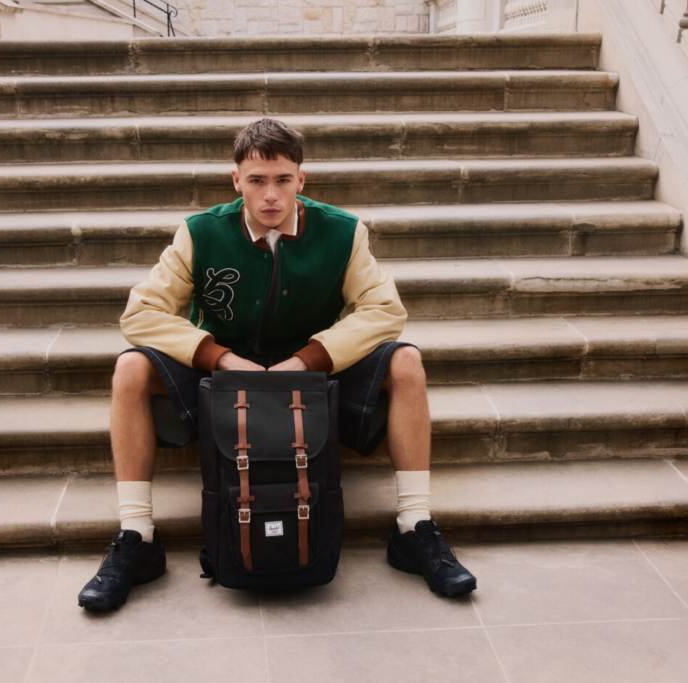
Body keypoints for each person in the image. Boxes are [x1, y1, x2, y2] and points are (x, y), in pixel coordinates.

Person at [78, 118, 477, 611]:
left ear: (301, 180)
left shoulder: (343, 232)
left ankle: (413, 527)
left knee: (407, 363)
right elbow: (140, 313)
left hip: (313, 372)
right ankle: (137, 538)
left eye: (283, 180)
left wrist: (309, 360)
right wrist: (220, 358)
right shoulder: (199, 233)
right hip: (223, 376)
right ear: (236, 180)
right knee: (130, 369)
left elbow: (385, 310)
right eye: (257, 180)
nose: (271, 195)